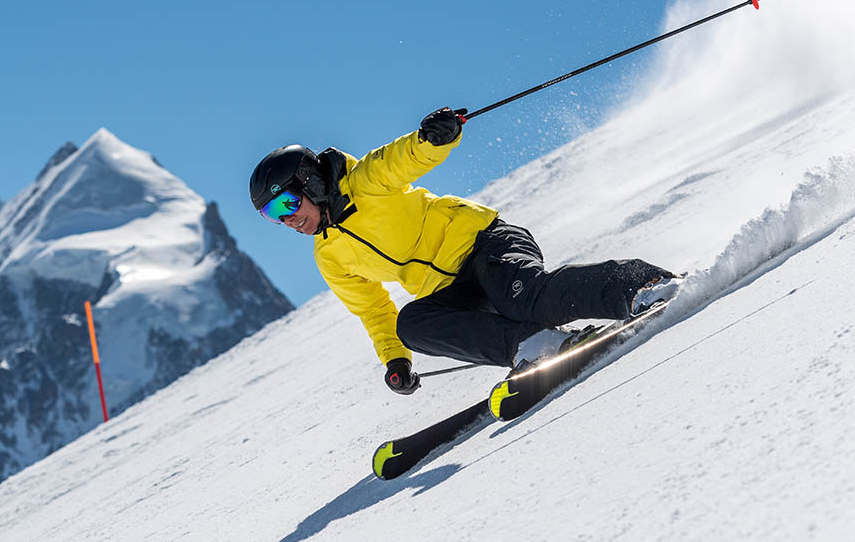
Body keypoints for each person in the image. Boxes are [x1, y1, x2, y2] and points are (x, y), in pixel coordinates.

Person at [248, 107, 682, 395]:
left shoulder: (365, 180)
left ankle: (642, 284)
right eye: (274, 216)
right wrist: (395, 360)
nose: (289, 220)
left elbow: (404, 158)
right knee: (411, 324)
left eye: (288, 203)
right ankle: (534, 346)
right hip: (452, 288)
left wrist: (434, 138)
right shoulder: (329, 256)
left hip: (483, 244)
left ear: (312, 182)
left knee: (523, 297)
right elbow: (374, 311)